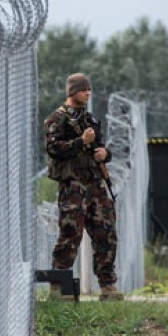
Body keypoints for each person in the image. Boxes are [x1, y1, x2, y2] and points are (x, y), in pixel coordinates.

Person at [44, 73, 123, 301]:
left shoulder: (89, 120)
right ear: (72, 92)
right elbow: (53, 149)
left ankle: (108, 286)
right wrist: (81, 142)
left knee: (106, 233)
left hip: (95, 184)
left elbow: (100, 147)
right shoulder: (56, 120)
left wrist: (105, 153)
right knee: (71, 235)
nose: (88, 93)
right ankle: (58, 287)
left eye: (89, 89)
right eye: (84, 89)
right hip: (73, 186)